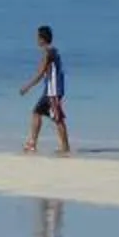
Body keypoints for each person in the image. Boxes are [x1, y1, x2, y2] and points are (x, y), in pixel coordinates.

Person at [19, 24, 70, 155]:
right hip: (49, 91)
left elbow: (40, 73)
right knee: (36, 112)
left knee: (58, 118)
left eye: (37, 37)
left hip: (53, 91)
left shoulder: (48, 53)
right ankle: (32, 144)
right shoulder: (52, 51)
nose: (36, 40)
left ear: (42, 39)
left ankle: (65, 147)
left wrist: (27, 87)